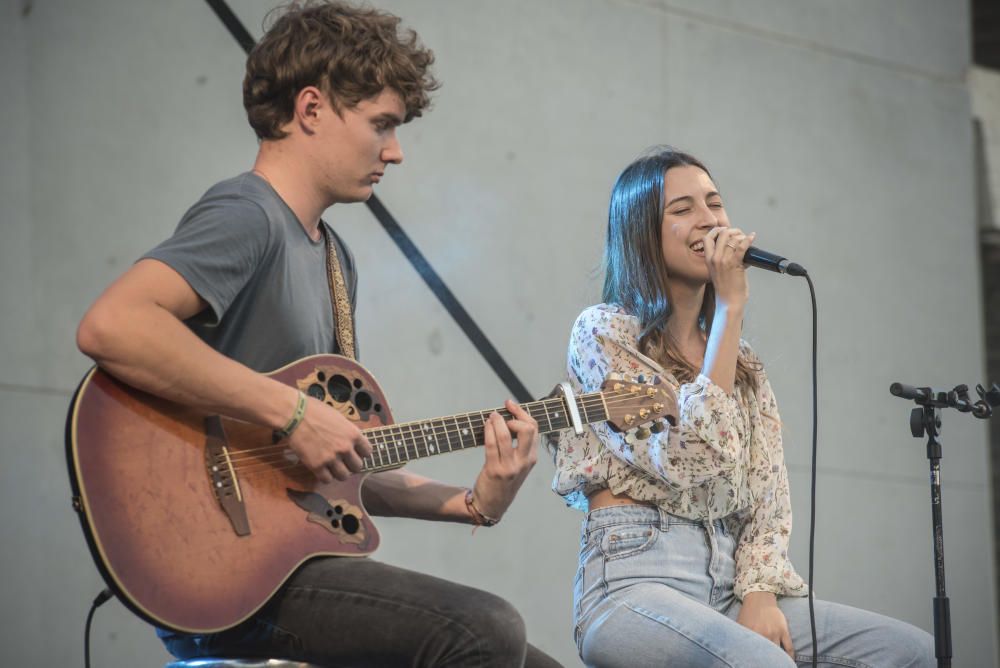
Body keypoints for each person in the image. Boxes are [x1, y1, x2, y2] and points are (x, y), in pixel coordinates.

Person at [76, 2, 560, 666]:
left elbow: (333, 464)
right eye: (381, 125)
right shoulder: (249, 215)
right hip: (225, 579)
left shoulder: (335, 261)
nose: (395, 151)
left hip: (280, 565)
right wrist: (295, 411)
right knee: (485, 631)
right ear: (311, 110)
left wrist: (474, 502)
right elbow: (112, 324)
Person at [552, 146, 934, 667]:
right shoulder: (604, 331)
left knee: (910, 653)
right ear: (642, 231)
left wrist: (759, 594)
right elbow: (688, 456)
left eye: (714, 204)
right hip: (632, 578)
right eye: (682, 209)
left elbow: (768, 492)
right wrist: (732, 306)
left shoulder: (743, 363)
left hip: (731, 577)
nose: (709, 221)